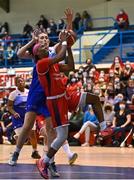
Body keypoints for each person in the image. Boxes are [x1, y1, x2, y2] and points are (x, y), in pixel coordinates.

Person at [8, 8, 77, 178]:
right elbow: (19, 53)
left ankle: (50, 162)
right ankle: (16, 152)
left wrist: (69, 22)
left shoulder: (53, 51)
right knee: (27, 126)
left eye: (47, 37)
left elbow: (68, 40)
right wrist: (32, 41)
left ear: (49, 41)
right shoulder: (36, 53)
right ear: (38, 44)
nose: (45, 40)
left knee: (51, 130)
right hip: (35, 93)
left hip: (49, 95)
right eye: (42, 38)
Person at [35, 30, 72, 179]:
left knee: (61, 135)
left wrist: (67, 44)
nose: (45, 45)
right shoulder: (44, 62)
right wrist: (64, 42)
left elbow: (70, 66)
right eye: (41, 45)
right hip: (53, 99)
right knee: (54, 133)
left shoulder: (51, 61)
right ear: (38, 53)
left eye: (45, 41)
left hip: (60, 97)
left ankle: (47, 161)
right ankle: (45, 161)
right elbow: (60, 55)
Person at [7, 76, 41, 159]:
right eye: (18, 81)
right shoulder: (13, 94)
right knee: (20, 136)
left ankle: (34, 151)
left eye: (22, 81)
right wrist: (14, 113)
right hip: (18, 117)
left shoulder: (29, 92)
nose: (21, 82)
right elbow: (9, 106)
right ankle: (16, 153)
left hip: (28, 116)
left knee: (32, 134)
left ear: (24, 82)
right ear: (16, 84)